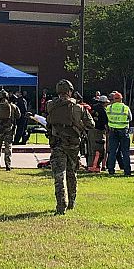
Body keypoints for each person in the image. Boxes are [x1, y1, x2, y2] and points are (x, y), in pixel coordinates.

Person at [46, 79, 94, 214]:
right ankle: (72, 202)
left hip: (57, 144)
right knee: (72, 173)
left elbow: (49, 121)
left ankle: (61, 205)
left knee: (59, 175)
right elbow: (91, 124)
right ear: (70, 91)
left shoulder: (50, 105)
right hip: (73, 145)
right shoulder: (78, 108)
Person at [0, 89, 20, 171]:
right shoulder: (12, 106)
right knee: (8, 146)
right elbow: (18, 116)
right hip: (9, 129)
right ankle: (8, 164)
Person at [105, 91, 132, 176]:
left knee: (112, 151)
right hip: (123, 131)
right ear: (121, 99)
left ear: (113, 99)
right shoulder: (125, 108)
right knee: (125, 152)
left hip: (113, 131)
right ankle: (127, 171)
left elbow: (106, 118)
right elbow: (130, 118)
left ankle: (111, 170)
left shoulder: (109, 107)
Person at [87, 95, 109, 171]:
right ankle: (95, 167)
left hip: (90, 130)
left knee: (91, 149)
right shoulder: (102, 110)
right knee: (99, 149)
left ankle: (90, 165)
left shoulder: (93, 107)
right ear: (104, 103)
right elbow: (105, 122)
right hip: (99, 131)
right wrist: (107, 131)